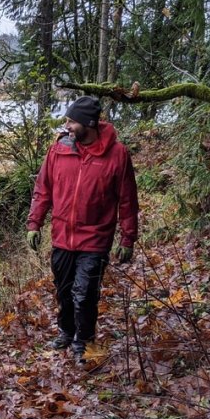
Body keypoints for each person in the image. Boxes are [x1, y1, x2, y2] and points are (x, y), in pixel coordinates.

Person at [26, 96, 139, 363]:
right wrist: (34, 223)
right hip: (62, 236)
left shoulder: (117, 154)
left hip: (96, 238)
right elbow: (43, 189)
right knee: (64, 290)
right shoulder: (59, 150)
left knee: (85, 292)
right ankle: (66, 332)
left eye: (71, 121)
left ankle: (84, 339)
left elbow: (128, 199)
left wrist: (128, 238)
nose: (66, 126)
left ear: (88, 123)